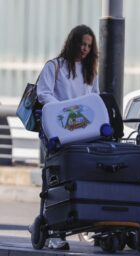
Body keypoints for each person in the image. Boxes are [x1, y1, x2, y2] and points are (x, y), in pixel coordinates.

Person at [33, 24, 99, 250]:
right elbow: (43, 93)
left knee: (76, 178)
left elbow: (95, 98)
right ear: (73, 43)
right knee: (56, 178)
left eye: (89, 46)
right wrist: (65, 108)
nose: (85, 49)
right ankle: (53, 231)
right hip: (58, 130)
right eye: (82, 44)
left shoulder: (91, 71)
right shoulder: (55, 66)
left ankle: (73, 223)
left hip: (82, 132)